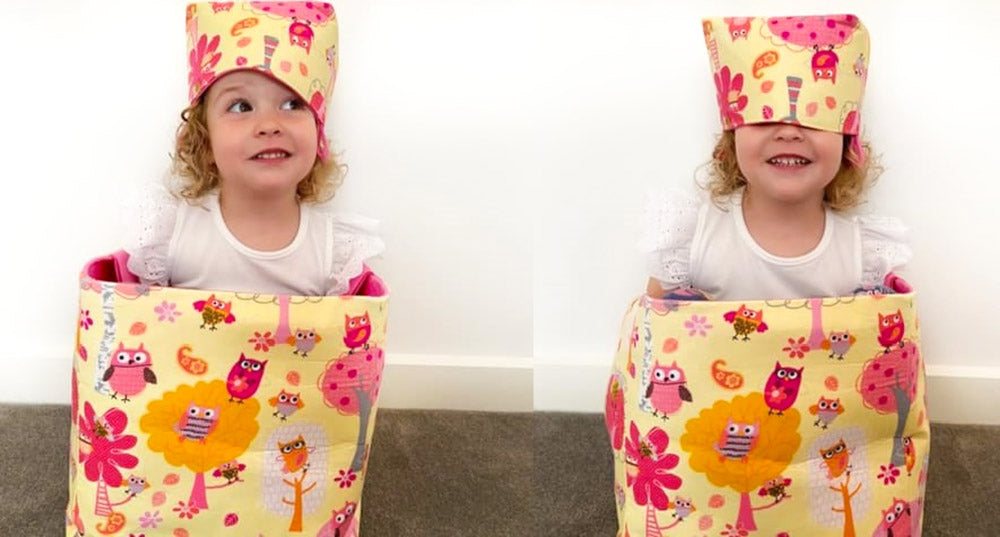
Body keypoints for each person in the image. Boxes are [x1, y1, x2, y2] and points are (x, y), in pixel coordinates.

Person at [640, 14, 910, 301]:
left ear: (846, 141)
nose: (789, 132)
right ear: (733, 138)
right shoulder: (695, 241)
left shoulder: (861, 257)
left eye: (814, 118)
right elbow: (652, 334)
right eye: (764, 116)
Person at [125, 2, 383, 296]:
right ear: (204, 140)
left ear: (318, 132)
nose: (269, 124)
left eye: (293, 103)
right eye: (241, 106)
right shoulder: (172, 237)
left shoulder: (332, 254)